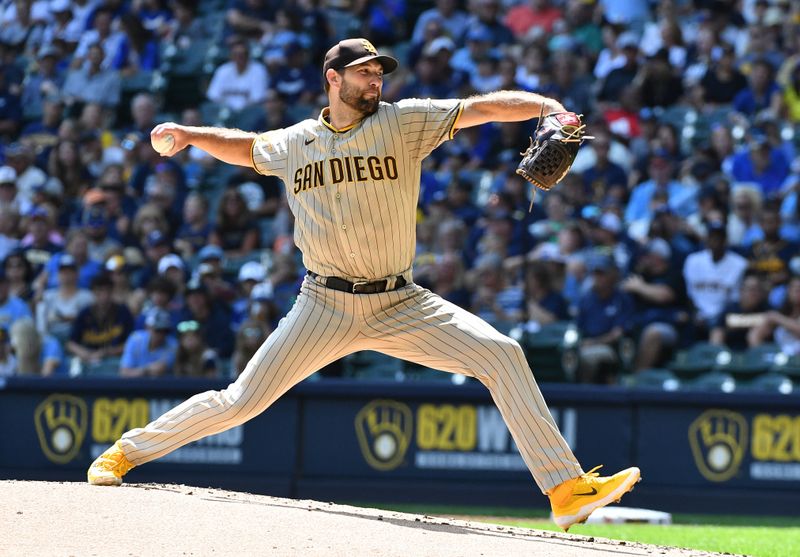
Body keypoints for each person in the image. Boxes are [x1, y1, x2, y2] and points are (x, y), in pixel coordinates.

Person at [88, 38, 640, 531]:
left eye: (379, 73)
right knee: (240, 402)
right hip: (322, 304)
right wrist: (189, 134)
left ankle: (565, 489)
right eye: (365, 72)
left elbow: (483, 107)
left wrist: (546, 107)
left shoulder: (403, 121)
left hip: (401, 301)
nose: (376, 80)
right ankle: (125, 452)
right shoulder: (296, 141)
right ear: (334, 78)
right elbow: (246, 147)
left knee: (502, 354)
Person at [120, 308, 178, 378]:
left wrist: (139, 371)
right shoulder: (135, 340)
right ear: (147, 328)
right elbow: (124, 372)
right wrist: (146, 369)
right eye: (158, 330)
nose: (161, 335)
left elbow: (158, 372)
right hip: (135, 386)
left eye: (165, 331)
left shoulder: (173, 345)